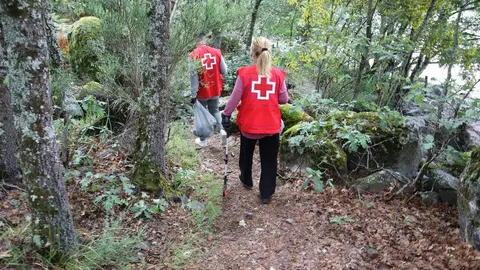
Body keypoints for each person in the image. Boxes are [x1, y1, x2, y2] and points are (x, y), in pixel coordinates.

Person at [221, 37, 289, 204]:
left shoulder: (244, 73)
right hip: (271, 125)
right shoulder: (278, 74)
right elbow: (284, 100)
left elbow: (234, 98)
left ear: (253, 53)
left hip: (249, 125)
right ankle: (266, 193)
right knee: (269, 159)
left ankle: (246, 179)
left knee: (246, 154)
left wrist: (226, 115)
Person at [189, 33, 228, 148]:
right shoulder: (216, 52)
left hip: (202, 91)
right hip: (215, 88)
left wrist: (193, 93)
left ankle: (203, 140)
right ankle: (221, 131)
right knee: (215, 109)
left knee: (202, 114)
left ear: (196, 41)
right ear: (205, 40)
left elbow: (193, 77)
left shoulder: (193, 55)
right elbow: (224, 70)